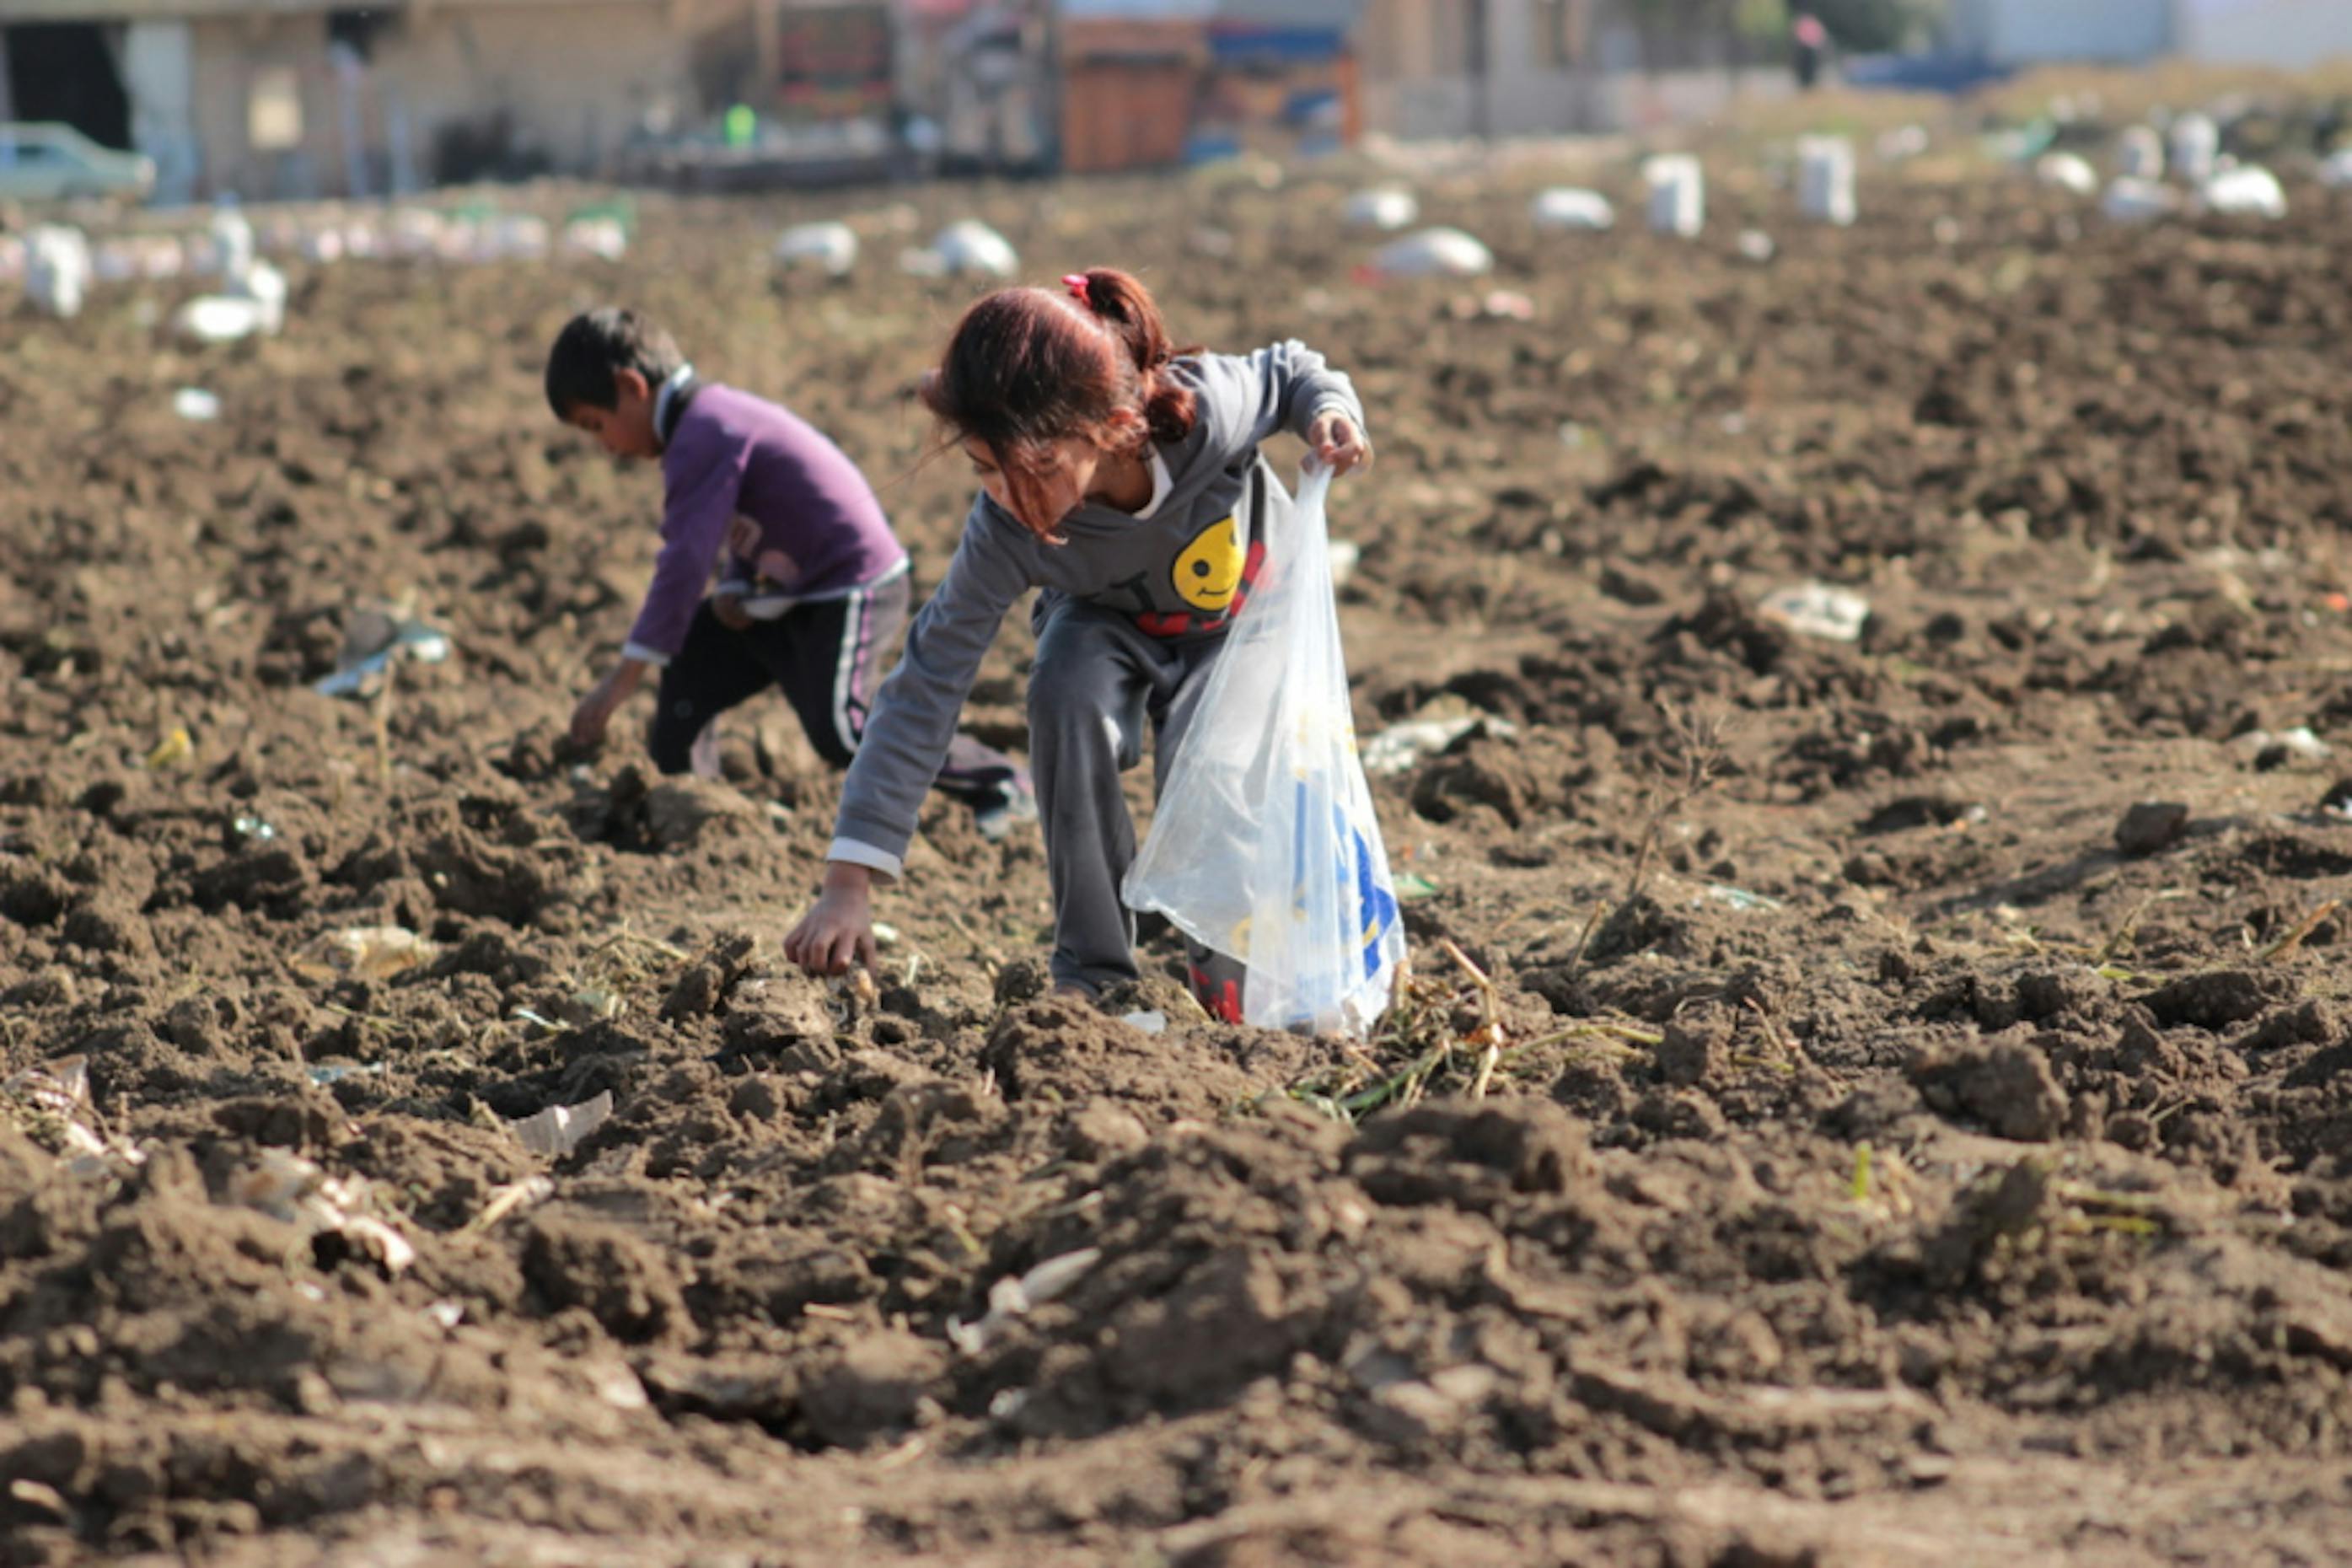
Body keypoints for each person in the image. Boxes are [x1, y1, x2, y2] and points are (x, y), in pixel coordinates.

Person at [782, 268, 1371, 1018]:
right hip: (1106, 622)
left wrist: (1329, 411)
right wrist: (846, 883)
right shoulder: (1006, 527)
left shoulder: (1206, 416)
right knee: (1065, 688)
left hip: (1239, 625)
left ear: (1115, 431)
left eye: (1034, 468)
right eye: (984, 470)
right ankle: (1094, 972)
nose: (1005, 494)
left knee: (1211, 769)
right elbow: (927, 679)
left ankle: (1236, 980)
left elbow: (1290, 371)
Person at [545, 306, 1031, 830]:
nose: (605, 446)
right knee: (692, 661)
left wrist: (622, 680)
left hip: (850, 585)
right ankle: (693, 809)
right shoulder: (702, 425)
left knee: (841, 731)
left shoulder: (705, 429)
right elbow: (744, 526)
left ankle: (999, 779)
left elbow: (684, 561)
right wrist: (734, 584)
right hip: (782, 588)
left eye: (598, 425)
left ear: (631, 386)